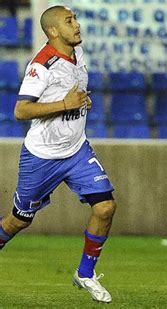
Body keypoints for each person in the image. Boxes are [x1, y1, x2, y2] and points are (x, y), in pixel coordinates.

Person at [0, 6, 116, 303]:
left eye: (75, 19)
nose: (77, 25)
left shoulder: (78, 55)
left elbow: (71, 94)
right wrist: (66, 104)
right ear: (53, 31)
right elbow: (20, 110)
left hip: (76, 150)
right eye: (69, 21)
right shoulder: (42, 65)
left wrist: (80, 102)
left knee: (105, 207)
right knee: (18, 221)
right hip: (41, 156)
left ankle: (85, 274)